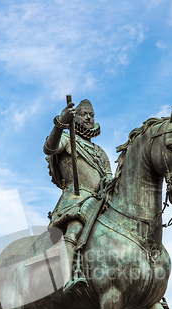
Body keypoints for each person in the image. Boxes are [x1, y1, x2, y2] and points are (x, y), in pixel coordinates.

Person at [44, 99, 112, 292]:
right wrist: (60, 123)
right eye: (84, 114)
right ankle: (68, 279)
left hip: (100, 201)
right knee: (74, 228)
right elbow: (49, 148)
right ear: (75, 117)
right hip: (76, 199)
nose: (89, 117)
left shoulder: (101, 153)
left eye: (92, 114)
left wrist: (109, 181)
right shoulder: (67, 139)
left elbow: (108, 176)